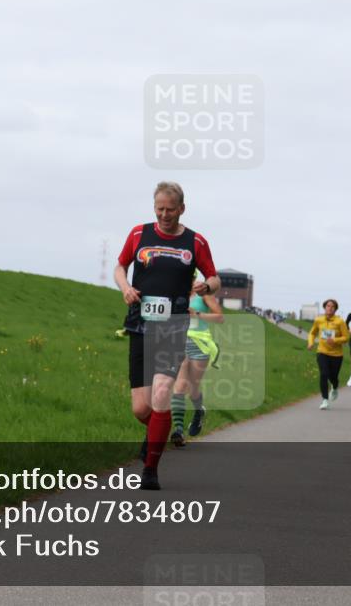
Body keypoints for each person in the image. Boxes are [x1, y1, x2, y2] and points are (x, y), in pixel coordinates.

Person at [115, 182, 219, 490]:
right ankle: (156, 433)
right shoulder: (138, 234)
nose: (164, 215)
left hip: (173, 326)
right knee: (141, 408)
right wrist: (126, 289)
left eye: (170, 210)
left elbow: (214, 277)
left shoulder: (195, 241)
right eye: (159, 209)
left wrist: (207, 286)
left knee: (162, 394)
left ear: (182, 209)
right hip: (140, 324)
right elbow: (121, 266)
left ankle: (150, 469)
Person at [170, 280, 224, 446]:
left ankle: (199, 412)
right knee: (179, 386)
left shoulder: (204, 293)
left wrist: (197, 315)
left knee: (193, 388)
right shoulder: (175, 291)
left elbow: (220, 317)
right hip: (179, 341)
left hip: (200, 344)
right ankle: (178, 431)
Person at [307, 299, 351, 409]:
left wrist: (335, 340)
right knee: (324, 374)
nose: (330, 308)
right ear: (324, 307)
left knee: (333, 377)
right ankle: (325, 400)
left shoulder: (340, 321)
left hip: (336, 355)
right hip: (322, 352)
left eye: (332, 306)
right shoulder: (319, 320)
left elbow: (347, 337)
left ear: (335, 309)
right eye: (328, 306)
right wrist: (311, 343)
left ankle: (335, 387)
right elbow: (312, 333)